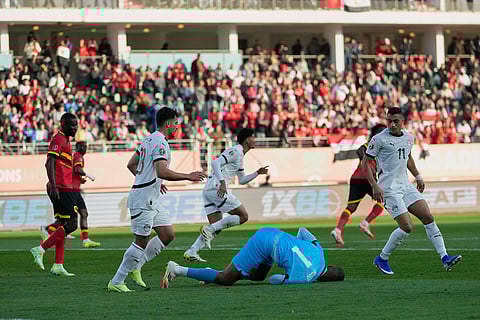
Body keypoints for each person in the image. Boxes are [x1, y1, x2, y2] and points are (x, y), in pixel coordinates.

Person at [107, 107, 206, 292]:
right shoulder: (160, 143)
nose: (177, 126)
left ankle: (137, 266)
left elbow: (132, 164)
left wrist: (153, 180)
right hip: (143, 198)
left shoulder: (148, 139)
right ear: (168, 123)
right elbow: (162, 171)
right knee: (140, 242)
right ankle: (117, 281)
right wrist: (188, 176)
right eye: (176, 123)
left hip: (151, 196)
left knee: (167, 234)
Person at [361, 107, 462, 275]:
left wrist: (418, 176)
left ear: (403, 122)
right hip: (388, 189)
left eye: (396, 121)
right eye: (389, 121)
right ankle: (382, 258)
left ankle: (445, 257)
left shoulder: (409, 137)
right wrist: (374, 185)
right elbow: (365, 163)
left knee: (428, 217)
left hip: (405, 185)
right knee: (407, 226)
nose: (392, 125)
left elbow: (407, 157)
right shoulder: (379, 139)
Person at [183, 128, 269, 263]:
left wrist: (257, 172)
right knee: (243, 216)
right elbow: (215, 163)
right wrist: (223, 182)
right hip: (217, 187)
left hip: (209, 189)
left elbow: (242, 180)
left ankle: (192, 250)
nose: (255, 140)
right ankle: (208, 229)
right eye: (253, 137)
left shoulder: (240, 156)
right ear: (247, 139)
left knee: (217, 227)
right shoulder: (236, 151)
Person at [162, 227, 344, 287]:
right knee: (226, 280)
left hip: (272, 233)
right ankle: (177, 269)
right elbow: (275, 280)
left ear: (331, 266)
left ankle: (212, 273)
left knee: (259, 276)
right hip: (263, 244)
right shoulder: (304, 279)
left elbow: (303, 230)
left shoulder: (318, 250)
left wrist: (293, 246)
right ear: (326, 281)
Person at [30, 113, 79, 276]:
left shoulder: (67, 141)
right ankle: (40, 249)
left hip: (65, 186)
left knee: (62, 225)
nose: (75, 128)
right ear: (63, 125)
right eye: (72, 125)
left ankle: (58, 264)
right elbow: (49, 162)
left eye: (76, 125)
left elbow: (62, 165)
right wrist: (53, 185)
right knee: (72, 224)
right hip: (60, 187)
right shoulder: (58, 139)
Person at [330, 124, 387, 246]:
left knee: (351, 207)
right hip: (366, 178)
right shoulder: (373, 144)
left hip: (356, 178)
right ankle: (365, 223)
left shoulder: (382, 147)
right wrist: (367, 162)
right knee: (384, 200)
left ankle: (338, 229)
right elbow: (360, 150)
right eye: (381, 131)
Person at [72, 141, 101, 248]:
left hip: (74, 190)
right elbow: (77, 169)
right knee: (71, 217)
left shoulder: (76, 156)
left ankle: (85, 239)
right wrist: (88, 175)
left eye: (86, 146)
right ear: (78, 147)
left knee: (83, 213)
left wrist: (80, 180)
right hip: (72, 191)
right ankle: (49, 230)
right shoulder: (78, 156)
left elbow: (74, 172)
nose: (85, 148)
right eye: (83, 146)